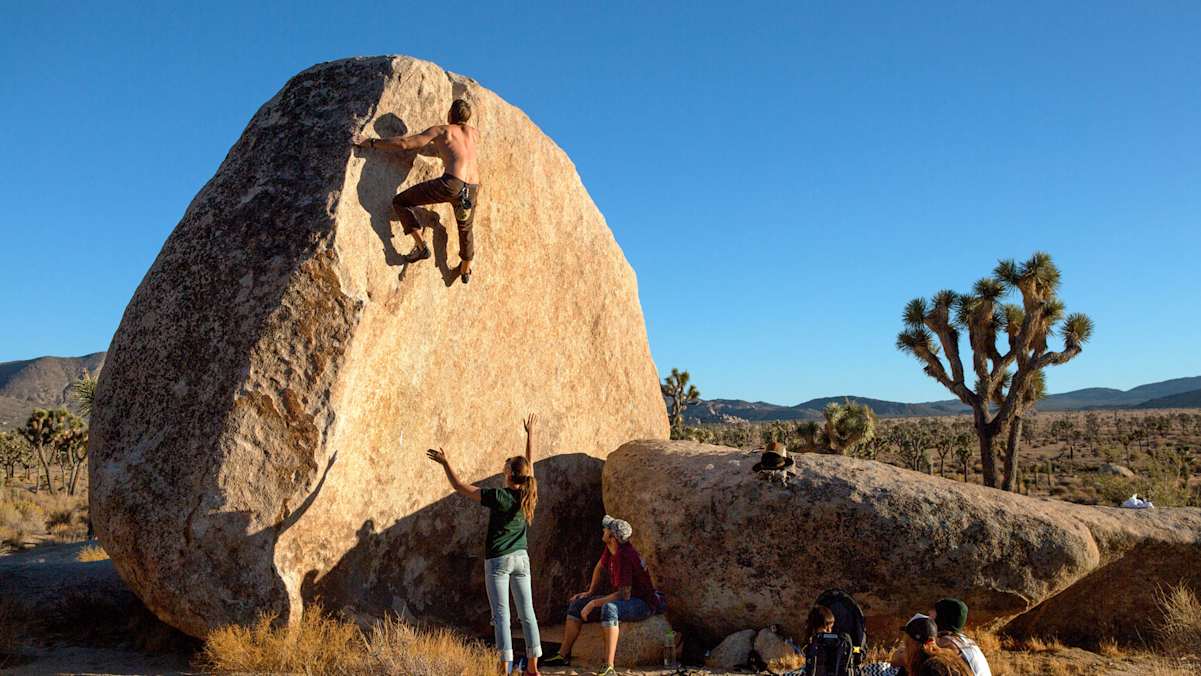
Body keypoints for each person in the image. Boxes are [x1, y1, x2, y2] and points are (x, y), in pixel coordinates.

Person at [425, 414, 542, 675]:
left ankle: (505, 666)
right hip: (522, 559)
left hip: (499, 560)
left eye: (505, 468)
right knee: (527, 613)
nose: (503, 469)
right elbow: (530, 466)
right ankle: (533, 667)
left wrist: (446, 463)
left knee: (501, 616)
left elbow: (459, 487)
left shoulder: (499, 496)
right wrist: (530, 434)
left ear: (510, 475)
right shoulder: (528, 492)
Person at [353, 98, 481, 283]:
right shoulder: (474, 134)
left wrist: (370, 142)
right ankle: (465, 269)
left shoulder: (443, 130)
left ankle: (421, 247)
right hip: (471, 188)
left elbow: (406, 143)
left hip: (451, 184)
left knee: (401, 202)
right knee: (466, 227)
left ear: (450, 114)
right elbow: (455, 151)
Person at [540, 516, 661, 676]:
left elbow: (624, 595)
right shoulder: (611, 548)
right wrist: (590, 593)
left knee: (609, 608)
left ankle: (609, 666)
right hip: (629, 597)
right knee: (578, 604)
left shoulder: (624, 556)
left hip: (643, 604)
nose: (603, 530)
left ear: (612, 537)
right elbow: (600, 566)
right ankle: (562, 655)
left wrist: (594, 603)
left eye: (606, 529)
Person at [931, 598, 991, 676]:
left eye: (935, 612)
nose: (930, 613)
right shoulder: (965, 640)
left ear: (942, 617)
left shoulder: (946, 643)